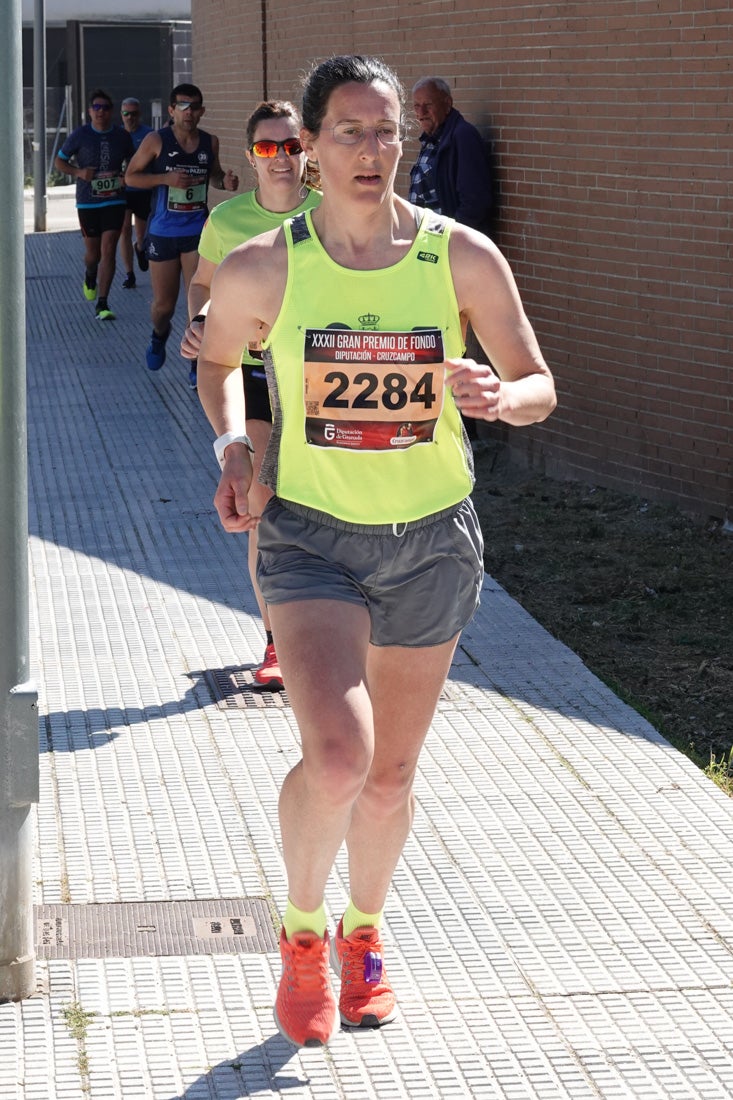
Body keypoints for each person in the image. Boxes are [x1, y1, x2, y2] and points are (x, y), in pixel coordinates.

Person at [196, 54, 556, 1049]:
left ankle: (367, 930)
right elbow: (220, 359)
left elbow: (536, 381)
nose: (371, 150)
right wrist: (233, 444)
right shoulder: (267, 262)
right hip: (310, 534)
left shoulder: (461, 257)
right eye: (348, 131)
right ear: (307, 147)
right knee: (338, 754)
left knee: (390, 776)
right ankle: (303, 932)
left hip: (432, 539)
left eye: (386, 131)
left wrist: (499, 397)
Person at [181, 100, 321, 686]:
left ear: (306, 150)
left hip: (317, 376)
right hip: (255, 374)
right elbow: (205, 284)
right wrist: (202, 323)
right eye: (268, 148)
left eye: (291, 146)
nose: (281, 158)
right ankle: (275, 642)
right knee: (262, 504)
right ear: (250, 155)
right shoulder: (229, 219)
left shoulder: (334, 212)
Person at [124, 83, 239, 375]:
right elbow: (131, 178)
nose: (189, 113)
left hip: (198, 232)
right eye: (183, 107)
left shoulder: (209, 142)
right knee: (164, 305)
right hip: (163, 232)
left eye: (194, 107)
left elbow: (212, 175)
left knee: (197, 299)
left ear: (202, 111)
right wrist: (165, 179)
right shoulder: (156, 140)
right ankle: (159, 335)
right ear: (172, 110)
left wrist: (224, 182)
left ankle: (194, 361)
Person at [55, 88, 134, 321]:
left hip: (114, 199)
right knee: (93, 254)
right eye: (96, 108)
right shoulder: (80, 135)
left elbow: (135, 160)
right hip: (89, 203)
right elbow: (60, 161)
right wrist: (78, 172)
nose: (101, 112)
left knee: (109, 248)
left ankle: (103, 303)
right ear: (90, 112)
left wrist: (125, 175)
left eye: (105, 108)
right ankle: (90, 274)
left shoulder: (121, 136)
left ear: (112, 112)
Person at [409, 76, 494, 235]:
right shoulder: (432, 139)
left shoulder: (462, 137)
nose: (421, 113)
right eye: (416, 106)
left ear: (447, 104)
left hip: (450, 244)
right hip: (428, 240)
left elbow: (475, 202)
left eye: (428, 105)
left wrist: (452, 237)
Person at [118, 97, 153, 289]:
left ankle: (140, 247)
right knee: (124, 229)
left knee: (140, 233)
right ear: (121, 115)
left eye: (134, 114)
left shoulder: (148, 135)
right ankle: (129, 273)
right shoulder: (117, 135)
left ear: (139, 114)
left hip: (141, 189)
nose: (130, 117)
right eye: (126, 114)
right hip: (122, 190)